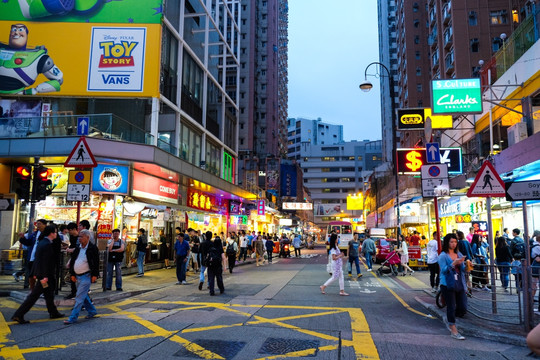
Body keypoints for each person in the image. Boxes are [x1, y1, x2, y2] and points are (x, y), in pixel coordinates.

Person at [11, 225, 65, 324]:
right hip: (45, 275)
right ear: (51, 233)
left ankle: (53, 312)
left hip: (44, 275)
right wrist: (43, 276)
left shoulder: (43, 242)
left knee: (48, 294)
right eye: (55, 232)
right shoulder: (47, 244)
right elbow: (43, 261)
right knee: (34, 296)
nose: (56, 234)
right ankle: (18, 314)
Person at [0, 23, 63, 95]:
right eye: (14, 30)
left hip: (18, 95)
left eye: (20, 30)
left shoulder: (39, 57)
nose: (16, 32)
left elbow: (58, 80)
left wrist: (36, 90)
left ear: (26, 34)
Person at [64, 229, 99, 325]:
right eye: (79, 236)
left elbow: (96, 263)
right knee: (84, 296)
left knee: (79, 297)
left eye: (81, 236)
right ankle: (92, 311)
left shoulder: (92, 248)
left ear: (87, 237)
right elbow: (73, 261)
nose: (79, 238)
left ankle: (73, 317)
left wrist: (95, 275)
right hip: (77, 276)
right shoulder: (78, 248)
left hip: (86, 276)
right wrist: (72, 274)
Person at [438, 233, 467, 340]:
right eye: (451, 242)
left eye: (455, 242)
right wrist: (453, 264)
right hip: (447, 284)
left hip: (459, 282)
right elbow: (443, 271)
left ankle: (451, 321)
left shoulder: (459, 254)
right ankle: (453, 330)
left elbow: (463, 269)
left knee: (463, 306)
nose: (454, 244)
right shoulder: (443, 256)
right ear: (447, 243)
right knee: (451, 306)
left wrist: (467, 265)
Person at [18, 219, 47, 290]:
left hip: (42, 258)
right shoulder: (35, 234)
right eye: (37, 224)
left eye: (39, 224)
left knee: (42, 276)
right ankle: (32, 290)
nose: (38, 225)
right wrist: (23, 238)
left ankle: (45, 289)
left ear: (45, 225)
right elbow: (28, 242)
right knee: (31, 275)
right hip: (32, 257)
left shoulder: (47, 234)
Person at [64, 222, 79, 299]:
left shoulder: (80, 237)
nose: (68, 232)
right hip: (73, 258)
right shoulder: (71, 236)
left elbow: (79, 249)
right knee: (72, 275)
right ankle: (73, 292)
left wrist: (70, 250)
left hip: (79, 260)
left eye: (70, 230)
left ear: (74, 229)